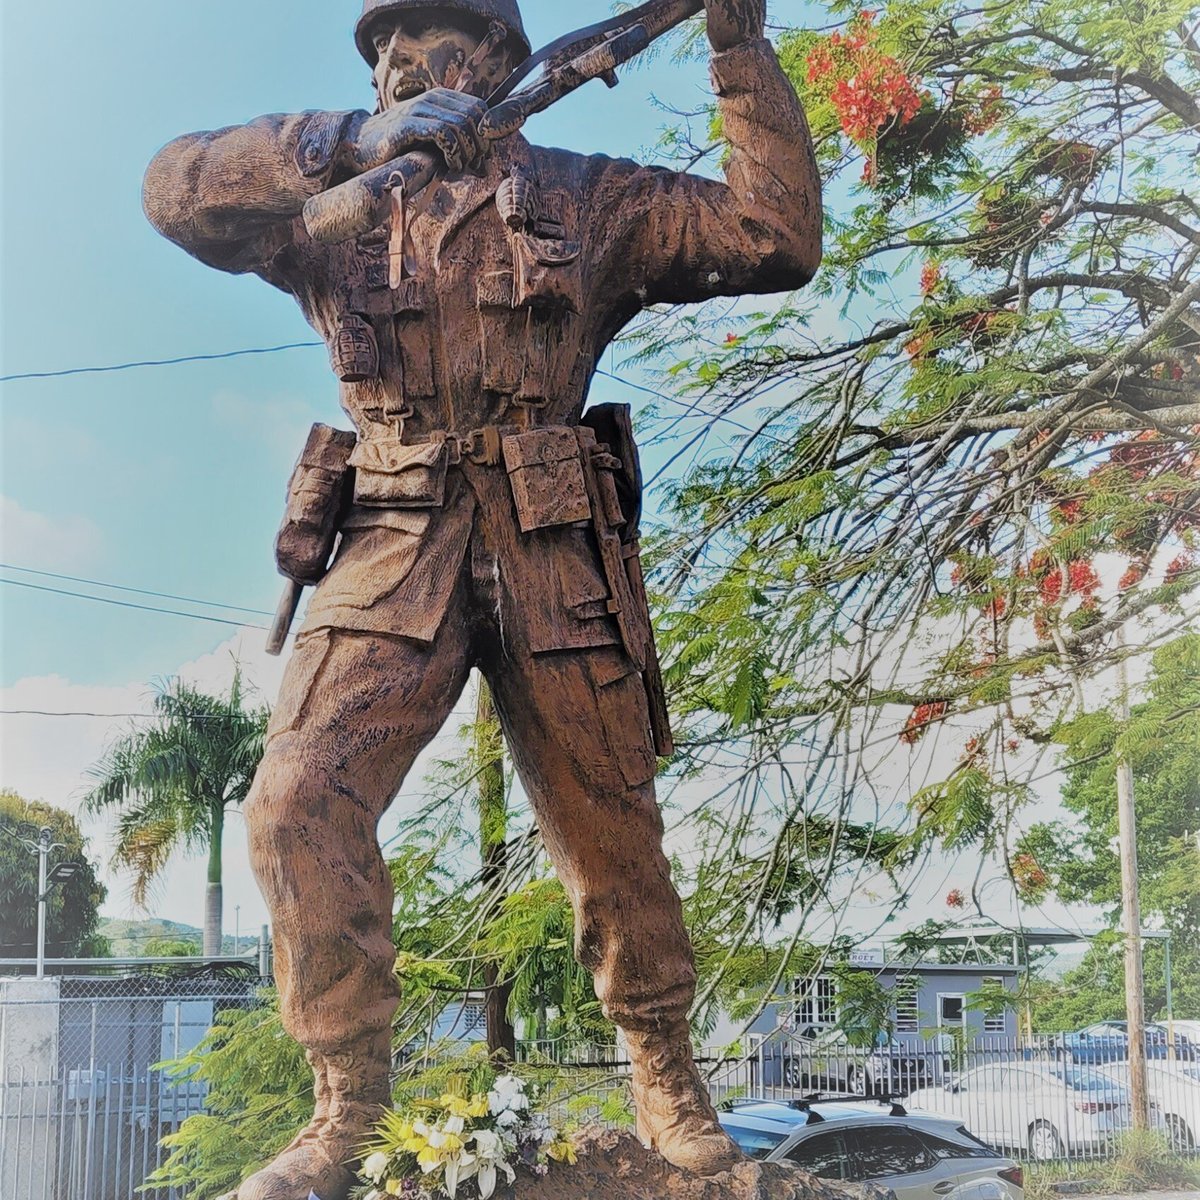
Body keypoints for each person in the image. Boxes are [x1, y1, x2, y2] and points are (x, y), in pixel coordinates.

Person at [144, 2, 820, 1196]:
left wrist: (735, 48)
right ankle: (347, 1104)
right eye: (384, 53)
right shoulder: (334, 206)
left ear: (504, 58)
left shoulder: (591, 193)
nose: (404, 62)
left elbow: (773, 236)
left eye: (432, 38)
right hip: (391, 537)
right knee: (294, 803)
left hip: (553, 532)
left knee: (612, 825)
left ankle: (663, 1064)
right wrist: (350, 138)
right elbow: (174, 190)